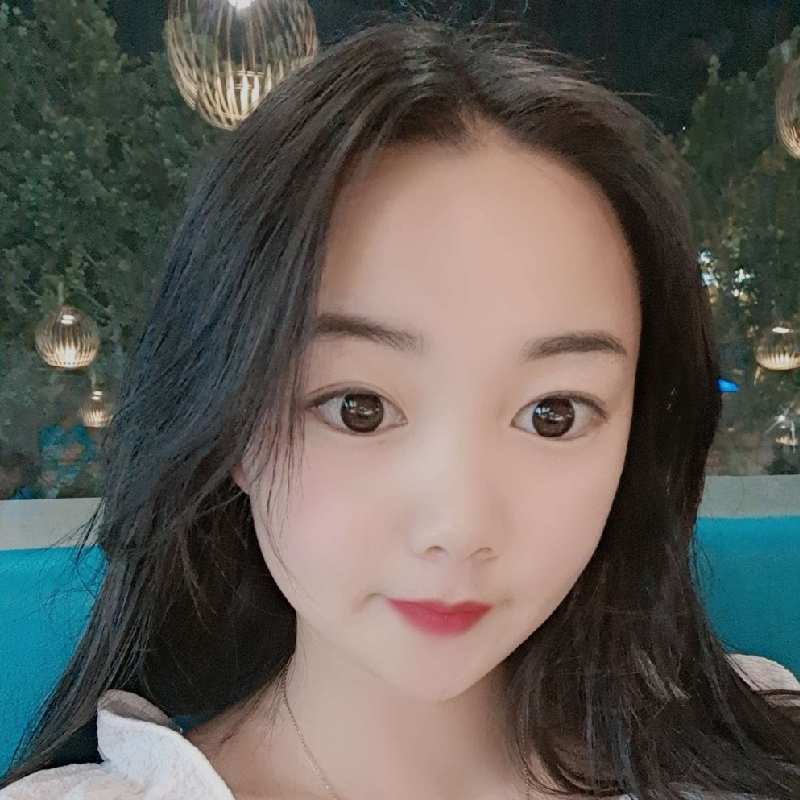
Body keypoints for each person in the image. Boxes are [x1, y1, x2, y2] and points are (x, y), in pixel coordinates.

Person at [2, 17, 799, 800]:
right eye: (359, 408)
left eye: (554, 414)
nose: (458, 528)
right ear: (231, 417)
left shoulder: (754, 757)